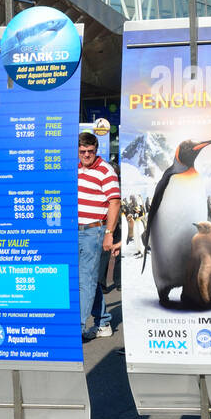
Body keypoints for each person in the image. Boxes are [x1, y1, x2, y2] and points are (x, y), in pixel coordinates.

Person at [78, 132, 120, 341]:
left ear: (96, 150)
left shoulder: (106, 170)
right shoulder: (75, 169)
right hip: (74, 231)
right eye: (83, 151)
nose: (86, 155)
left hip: (93, 230)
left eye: (90, 151)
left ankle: (77, 325)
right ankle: (103, 321)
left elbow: (114, 202)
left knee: (86, 279)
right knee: (89, 279)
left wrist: (109, 234)